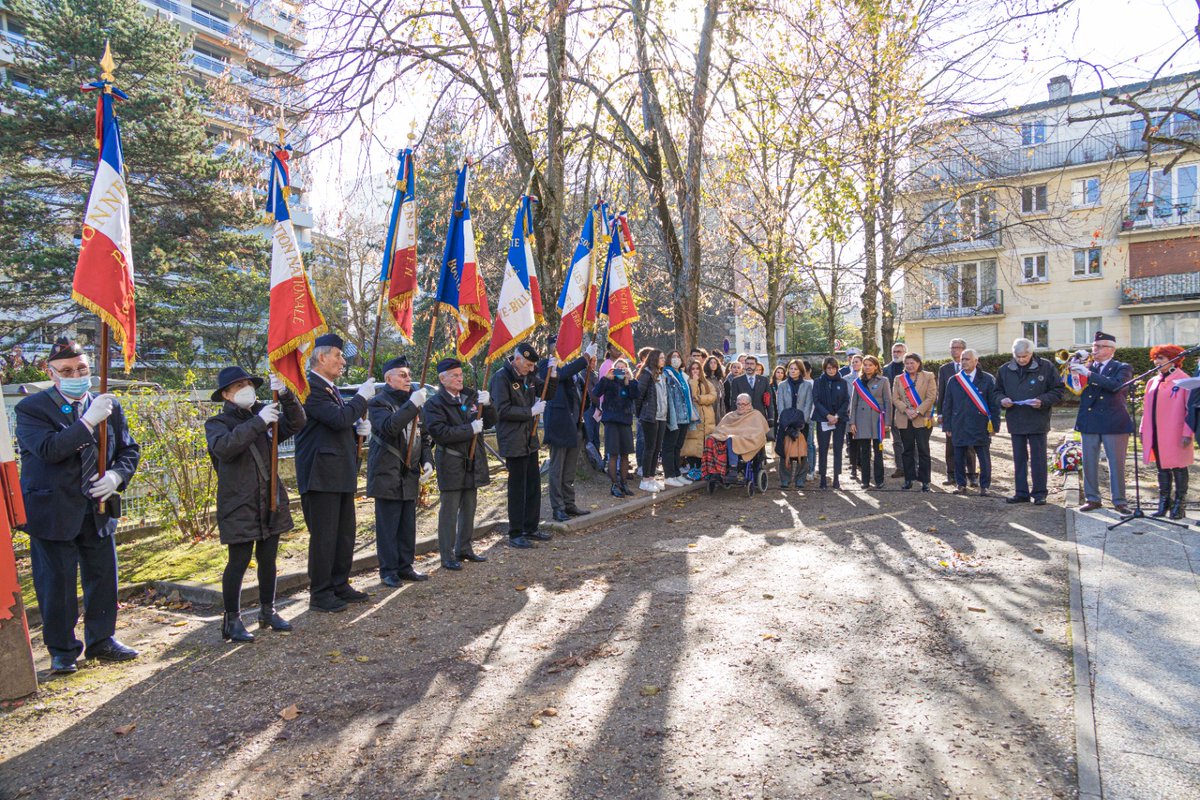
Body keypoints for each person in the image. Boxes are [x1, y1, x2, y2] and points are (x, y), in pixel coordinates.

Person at [15, 338, 142, 674]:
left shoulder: (107, 405)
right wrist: (86, 423)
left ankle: (102, 640)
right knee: (56, 584)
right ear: (52, 373)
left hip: (97, 506)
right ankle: (62, 650)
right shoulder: (32, 409)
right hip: (53, 510)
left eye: (82, 368)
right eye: (67, 370)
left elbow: (129, 450)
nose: (76, 374)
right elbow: (49, 449)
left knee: (103, 578)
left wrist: (116, 476)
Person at [206, 366, 306, 642]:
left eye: (248, 384)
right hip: (239, 503)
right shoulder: (217, 424)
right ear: (225, 395)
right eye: (238, 386)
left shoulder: (265, 414)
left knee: (268, 558)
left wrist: (286, 395)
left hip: (268, 498)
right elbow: (225, 447)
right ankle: (232, 619)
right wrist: (259, 423)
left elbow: (297, 422)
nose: (245, 389)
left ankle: (267, 610)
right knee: (238, 562)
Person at [295, 333, 374, 612]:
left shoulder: (330, 388)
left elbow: (336, 427)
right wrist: (362, 399)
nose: (343, 361)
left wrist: (356, 432)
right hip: (320, 474)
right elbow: (336, 418)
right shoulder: (309, 387)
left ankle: (339, 583)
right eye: (338, 355)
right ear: (321, 357)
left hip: (338, 471)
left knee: (344, 533)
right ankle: (320, 592)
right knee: (325, 535)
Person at [366, 356, 434, 584]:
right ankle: (388, 570)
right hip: (387, 472)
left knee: (407, 524)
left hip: (409, 473)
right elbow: (389, 427)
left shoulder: (413, 401)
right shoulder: (378, 402)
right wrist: (413, 404)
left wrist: (427, 460)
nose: (408, 379)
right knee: (388, 526)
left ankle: (406, 566)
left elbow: (423, 436)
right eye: (402, 375)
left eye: (409, 375)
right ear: (389, 378)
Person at [424, 357, 497, 567]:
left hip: (473, 460)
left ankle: (464, 548)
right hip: (451, 461)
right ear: (442, 378)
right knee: (450, 511)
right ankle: (447, 555)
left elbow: (491, 421)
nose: (459, 378)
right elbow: (439, 433)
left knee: (469, 507)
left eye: (461, 374)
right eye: (454, 375)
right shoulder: (434, 404)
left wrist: (488, 404)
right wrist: (469, 429)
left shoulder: (470, 396)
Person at [491, 341, 554, 547]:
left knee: (533, 485)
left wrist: (552, 376)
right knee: (517, 488)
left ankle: (531, 527)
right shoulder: (501, 378)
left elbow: (547, 393)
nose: (531, 369)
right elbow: (502, 411)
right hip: (513, 439)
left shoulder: (527, 374)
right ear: (517, 360)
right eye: (528, 365)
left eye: (532, 366)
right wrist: (530, 412)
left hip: (529, 439)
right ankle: (516, 532)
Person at [995, 338, 1065, 506]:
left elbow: (1058, 390)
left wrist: (1042, 400)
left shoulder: (1046, 367)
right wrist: (1002, 399)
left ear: (1031, 353)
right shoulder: (1004, 370)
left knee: (1038, 459)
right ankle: (1021, 492)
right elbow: (996, 391)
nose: (1021, 360)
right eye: (1018, 356)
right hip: (1016, 419)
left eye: (1025, 356)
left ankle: (1040, 493)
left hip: (1037, 419)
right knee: (1019, 458)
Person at [1073, 332, 1135, 515]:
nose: (1095, 350)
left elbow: (1116, 386)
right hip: (1090, 420)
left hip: (1113, 421)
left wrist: (1089, 373)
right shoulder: (1087, 366)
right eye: (1094, 346)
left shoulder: (1122, 367)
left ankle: (1120, 501)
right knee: (1089, 462)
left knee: (1116, 463)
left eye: (1100, 346)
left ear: (1111, 350)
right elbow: (1075, 389)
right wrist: (1073, 373)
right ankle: (1092, 499)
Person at [544, 343, 598, 522]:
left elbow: (582, 394)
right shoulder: (549, 365)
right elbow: (561, 375)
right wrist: (584, 359)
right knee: (557, 469)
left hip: (576, 425)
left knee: (569, 470)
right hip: (559, 426)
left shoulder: (574, 372)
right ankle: (557, 507)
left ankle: (569, 503)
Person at [1140, 345, 1193, 519]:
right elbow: (1147, 408)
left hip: (1175, 432)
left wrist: (1187, 433)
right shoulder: (1152, 381)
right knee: (1161, 467)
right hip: (1155, 431)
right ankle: (1164, 502)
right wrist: (1143, 429)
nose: (1157, 361)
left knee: (1178, 466)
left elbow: (1190, 410)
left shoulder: (1184, 380)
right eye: (1156, 358)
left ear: (1174, 359)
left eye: (1161, 358)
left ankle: (1180, 504)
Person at [941, 348, 1002, 496]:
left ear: (976, 361)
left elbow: (994, 405)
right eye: (962, 359)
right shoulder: (954, 380)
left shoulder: (987, 379)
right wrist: (947, 425)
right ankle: (961, 485)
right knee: (959, 457)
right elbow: (947, 404)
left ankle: (985, 486)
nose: (963, 362)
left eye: (967, 359)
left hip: (980, 424)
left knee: (983, 457)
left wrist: (995, 425)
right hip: (959, 424)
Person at [592, 358, 640, 497]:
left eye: (623, 368)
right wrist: (606, 379)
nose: (620, 370)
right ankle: (614, 485)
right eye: (617, 368)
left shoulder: (629, 382)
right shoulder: (609, 381)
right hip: (611, 421)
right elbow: (596, 392)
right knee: (613, 454)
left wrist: (629, 380)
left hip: (625, 421)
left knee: (625, 454)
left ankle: (624, 483)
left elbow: (636, 395)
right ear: (613, 369)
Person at [890, 353, 937, 492]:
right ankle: (909, 479)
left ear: (918, 363)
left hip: (922, 418)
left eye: (913, 363)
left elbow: (931, 397)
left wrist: (917, 411)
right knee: (907, 450)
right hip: (904, 419)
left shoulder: (928, 376)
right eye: (907, 363)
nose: (910, 366)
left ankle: (925, 480)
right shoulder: (899, 379)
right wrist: (906, 410)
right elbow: (895, 398)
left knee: (923, 450)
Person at [937, 338, 978, 487]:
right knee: (950, 446)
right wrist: (940, 413)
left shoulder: (973, 367)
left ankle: (972, 475)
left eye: (958, 347)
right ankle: (951, 474)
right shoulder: (944, 369)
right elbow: (941, 393)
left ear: (964, 349)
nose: (955, 350)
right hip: (952, 415)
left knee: (970, 447)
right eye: (952, 347)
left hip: (969, 415)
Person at [849, 355, 892, 489]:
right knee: (864, 452)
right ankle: (865, 480)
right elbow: (853, 404)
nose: (867, 367)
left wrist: (887, 422)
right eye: (865, 365)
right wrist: (852, 422)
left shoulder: (883, 381)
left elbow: (888, 402)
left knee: (878, 451)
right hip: (861, 420)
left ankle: (879, 480)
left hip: (877, 420)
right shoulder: (858, 382)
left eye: (870, 365)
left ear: (876, 366)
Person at [774, 359, 812, 489]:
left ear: (801, 371)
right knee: (785, 450)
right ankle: (785, 479)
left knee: (802, 450)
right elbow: (780, 405)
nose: (792, 371)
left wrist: (802, 422)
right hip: (786, 423)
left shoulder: (807, 385)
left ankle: (800, 479)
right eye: (790, 369)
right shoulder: (782, 385)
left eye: (795, 369)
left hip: (802, 423)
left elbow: (808, 404)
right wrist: (786, 423)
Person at [813, 356, 849, 490]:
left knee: (838, 449)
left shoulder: (843, 382)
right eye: (828, 368)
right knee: (823, 449)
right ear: (824, 369)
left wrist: (837, 415)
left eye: (834, 368)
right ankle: (823, 478)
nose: (831, 370)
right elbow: (816, 400)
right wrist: (827, 415)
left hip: (839, 420)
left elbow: (846, 400)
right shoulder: (818, 382)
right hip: (823, 419)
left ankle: (836, 477)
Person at [660, 350, 695, 487]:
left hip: (685, 416)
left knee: (678, 447)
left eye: (678, 356)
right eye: (673, 357)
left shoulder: (682, 375)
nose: (676, 359)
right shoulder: (667, 374)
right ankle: (669, 475)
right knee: (669, 446)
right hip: (673, 416)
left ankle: (677, 473)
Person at [635, 349, 668, 492]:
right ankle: (645, 479)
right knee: (649, 448)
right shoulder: (646, 374)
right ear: (654, 359)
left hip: (661, 416)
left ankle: (651, 477)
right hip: (650, 417)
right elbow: (638, 396)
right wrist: (641, 414)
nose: (663, 360)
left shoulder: (661, 375)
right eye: (661, 358)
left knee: (656, 448)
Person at [682, 359, 718, 478]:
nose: (695, 371)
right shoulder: (687, 382)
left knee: (704, 445)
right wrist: (694, 382)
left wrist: (700, 399)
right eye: (693, 369)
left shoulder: (707, 383)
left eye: (697, 368)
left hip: (707, 419)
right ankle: (693, 468)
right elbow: (691, 396)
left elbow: (713, 396)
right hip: (694, 417)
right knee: (692, 445)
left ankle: (703, 469)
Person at [882, 342, 908, 477]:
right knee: (897, 440)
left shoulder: (910, 367)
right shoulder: (885, 369)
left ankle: (913, 466)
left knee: (910, 440)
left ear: (905, 353)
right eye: (894, 351)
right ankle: (900, 467)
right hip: (892, 410)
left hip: (908, 410)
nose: (896, 354)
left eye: (899, 351)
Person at [842, 352, 864, 482]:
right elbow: (844, 397)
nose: (854, 363)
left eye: (857, 361)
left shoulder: (867, 378)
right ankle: (853, 467)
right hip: (850, 414)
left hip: (864, 414)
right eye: (853, 361)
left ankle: (862, 464)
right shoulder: (845, 379)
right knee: (851, 441)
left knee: (863, 441)